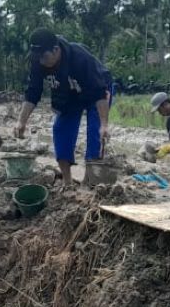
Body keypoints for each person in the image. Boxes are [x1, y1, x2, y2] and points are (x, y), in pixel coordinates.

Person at [15, 28, 112, 188]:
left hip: (96, 90)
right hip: (68, 94)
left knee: (95, 131)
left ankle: (89, 183)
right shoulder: (38, 62)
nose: (41, 62)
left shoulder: (80, 58)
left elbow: (99, 92)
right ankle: (67, 183)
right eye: (38, 58)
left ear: (56, 50)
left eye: (44, 57)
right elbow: (33, 92)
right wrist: (21, 121)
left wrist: (104, 125)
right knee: (60, 129)